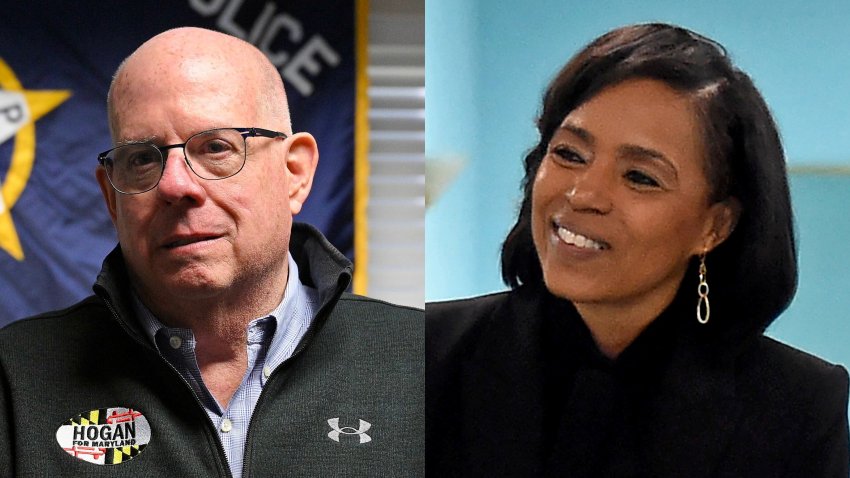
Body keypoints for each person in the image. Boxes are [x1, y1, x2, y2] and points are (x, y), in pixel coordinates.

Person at [426, 23, 849, 477]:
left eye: (640, 177)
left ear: (715, 225)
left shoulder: (798, 406)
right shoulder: (418, 355)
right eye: (569, 154)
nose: (583, 194)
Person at [0, 27, 423, 476]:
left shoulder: (423, 364)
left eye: (216, 147)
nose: (176, 185)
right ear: (112, 199)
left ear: (295, 173)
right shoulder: (14, 381)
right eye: (143, 159)